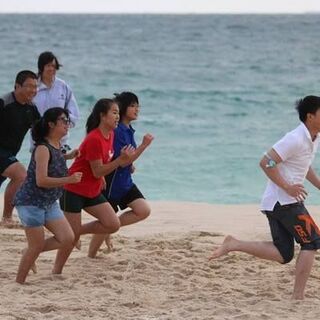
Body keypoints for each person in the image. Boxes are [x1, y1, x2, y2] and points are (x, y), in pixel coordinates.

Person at [209, 95, 320, 300]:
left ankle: (234, 244)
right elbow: (266, 162)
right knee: (312, 242)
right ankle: (298, 296)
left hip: (277, 202)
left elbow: (304, 166)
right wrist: (287, 187)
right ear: (310, 116)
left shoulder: (313, 138)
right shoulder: (295, 138)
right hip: (284, 202)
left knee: (283, 254)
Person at [52, 98, 135, 274]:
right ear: (102, 116)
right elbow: (97, 170)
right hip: (73, 189)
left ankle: (76, 231)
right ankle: (56, 270)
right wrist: (120, 161)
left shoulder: (110, 134)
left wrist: (113, 166)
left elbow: (102, 164)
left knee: (112, 224)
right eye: (114, 112)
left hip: (92, 190)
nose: (117, 116)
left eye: (118, 113)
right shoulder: (94, 138)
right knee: (70, 239)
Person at [14, 108, 82, 284]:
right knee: (36, 245)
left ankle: (30, 251)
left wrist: (69, 156)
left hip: (49, 202)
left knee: (67, 238)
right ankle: (19, 283)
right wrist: (69, 179)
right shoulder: (42, 148)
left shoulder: (57, 145)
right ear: (51, 124)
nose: (67, 124)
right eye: (63, 120)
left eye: (68, 120)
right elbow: (41, 180)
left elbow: (56, 159)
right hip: (31, 202)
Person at [88, 92, 154, 258]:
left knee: (143, 210)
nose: (137, 109)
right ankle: (91, 255)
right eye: (132, 106)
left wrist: (131, 164)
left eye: (138, 106)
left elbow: (126, 159)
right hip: (112, 184)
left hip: (125, 182)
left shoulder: (128, 130)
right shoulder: (117, 131)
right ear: (123, 108)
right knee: (106, 221)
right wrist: (143, 146)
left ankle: (110, 229)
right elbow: (121, 161)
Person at [0, 70, 40, 226]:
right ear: (17, 86)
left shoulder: (31, 108)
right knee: (21, 175)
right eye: (29, 86)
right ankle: (6, 217)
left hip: (10, 152)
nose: (33, 90)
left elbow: (40, 132)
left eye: (35, 87)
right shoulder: (4, 103)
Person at [32, 51, 80, 152]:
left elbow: (74, 113)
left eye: (54, 66)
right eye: (48, 65)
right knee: (40, 166)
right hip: (39, 139)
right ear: (41, 67)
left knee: (59, 167)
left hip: (61, 141)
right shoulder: (33, 86)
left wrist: (62, 125)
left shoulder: (62, 86)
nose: (51, 69)